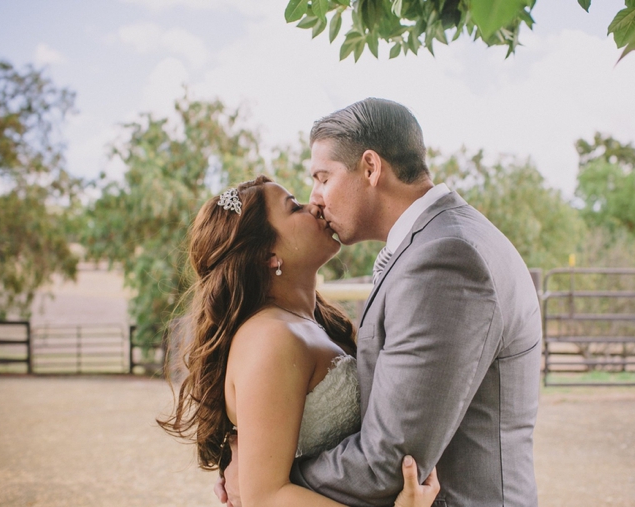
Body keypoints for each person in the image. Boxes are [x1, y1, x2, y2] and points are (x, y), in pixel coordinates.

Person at [220, 98, 543, 506]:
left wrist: (263, 476)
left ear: (370, 168)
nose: (315, 198)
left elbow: (388, 459)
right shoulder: (441, 242)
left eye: (322, 178)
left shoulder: (443, 259)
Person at [159, 175, 440, 507]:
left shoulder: (313, 322)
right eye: (294, 207)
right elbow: (265, 497)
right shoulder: (270, 338)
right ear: (268, 254)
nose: (316, 206)